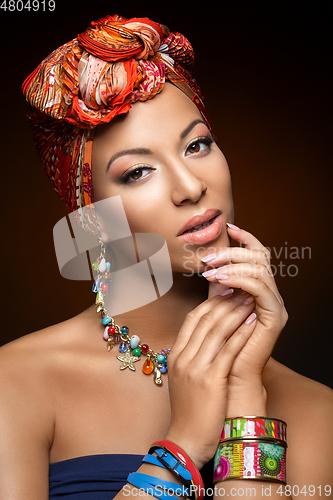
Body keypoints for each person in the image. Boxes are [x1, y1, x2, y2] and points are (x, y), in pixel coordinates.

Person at [0, 13, 332, 500]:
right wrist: (182, 446)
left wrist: (244, 400)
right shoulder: (16, 383)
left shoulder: (316, 410)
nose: (192, 186)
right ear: (93, 221)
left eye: (197, 145)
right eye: (137, 172)